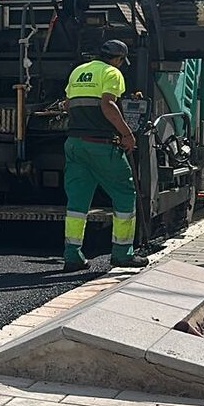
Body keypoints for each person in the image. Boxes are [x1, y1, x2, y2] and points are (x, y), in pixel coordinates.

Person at [61, 40, 149, 270]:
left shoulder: (78, 71)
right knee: (124, 193)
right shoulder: (112, 73)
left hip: (74, 144)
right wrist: (127, 134)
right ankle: (122, 253)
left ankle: (72, 255)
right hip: (101, 145)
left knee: (77, 202)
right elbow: (108, 105)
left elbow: (68, 104)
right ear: (118, 59)